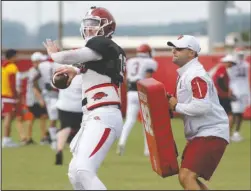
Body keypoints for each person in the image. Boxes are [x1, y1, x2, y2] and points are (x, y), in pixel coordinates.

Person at [43, 6, 126, 190]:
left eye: (94, 24)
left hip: (103, 114)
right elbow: (94, 67)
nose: (89, 29)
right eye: (87, 25)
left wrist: (54, 55)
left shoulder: (103, 45)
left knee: (83, 169)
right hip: (92, 115)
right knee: (74, 171)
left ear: (107, 27)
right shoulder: (104, 54)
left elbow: (74, 55)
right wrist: (75, 70)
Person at [166, 35, 229, 190]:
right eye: (173, 48)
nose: (174, 51)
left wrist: (176, 106)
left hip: (211, 132)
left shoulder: (195, 74)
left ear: (191, 53)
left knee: (187, 176)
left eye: (179, 49)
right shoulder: (187, 73)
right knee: (186, 177)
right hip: (203, 133)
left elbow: (202, 106)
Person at [117, 44, 158, 156]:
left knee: (130, 120)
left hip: (130, 92)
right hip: (142, 91)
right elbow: (148, 78)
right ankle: (147, 150)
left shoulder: (131, 61)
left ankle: (121, 142)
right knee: (147, 121)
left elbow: (126, 79)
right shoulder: (150, 63)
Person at [32, 52, 59, 148]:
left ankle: (54, 139)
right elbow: (35, 81)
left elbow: (35, 80)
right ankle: (54, 140)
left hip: (55, 94)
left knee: (56, 118)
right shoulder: (47, 65)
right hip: (52, 95)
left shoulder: (45, 66)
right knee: (53, 118)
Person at [54, 74, 83, 165]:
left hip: (64, 105)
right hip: (79, 107)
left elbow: (54, 83)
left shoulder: (63, 70)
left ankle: (59, 149)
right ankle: (80, 156)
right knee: (81, 131)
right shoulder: (83, 74)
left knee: (64, 128)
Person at [26, 52, 49, 145]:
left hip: (34, 98)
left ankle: (30, 138)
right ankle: (42, 138)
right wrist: (41, 100)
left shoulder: (37, 71)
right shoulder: (34, 72)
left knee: (38, 117)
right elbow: (34, 87)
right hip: (34, 99)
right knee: (40, 117)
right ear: (36, 61)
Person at [228, 48, 250, 142]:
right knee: (235, 113)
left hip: (238, 90)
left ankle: (234, 133)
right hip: (241, 90)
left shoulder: (232, 65)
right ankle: (231, 133)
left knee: (237, 113)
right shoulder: (246, 64)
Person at [210, 54, 237, 132]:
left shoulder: (223, 69)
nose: (232, 65)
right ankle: (226, 133)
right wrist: (227, 90)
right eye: (231, 63)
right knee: (229, 114)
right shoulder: (222, 68)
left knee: (221, 114)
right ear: (227, 62)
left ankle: (222, 132)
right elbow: (220, 81)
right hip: (221, 95)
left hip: (220, 95)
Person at [2, 49, 20, 148]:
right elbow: (12, 83)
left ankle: (7, 139)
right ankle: (6, 140)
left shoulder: (3, 66)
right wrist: (15, 96)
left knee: (9, 118)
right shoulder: (12, 67)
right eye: (16, 56)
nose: (17, 58)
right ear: (12, 57)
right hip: (9, 96)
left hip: (4, 95)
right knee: (8, 118)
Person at [15, 70, 35, 144]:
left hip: (24, 101)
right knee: (24, 118)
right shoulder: (27, 75)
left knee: (24, 118)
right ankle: (26, 138)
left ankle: (25, 138)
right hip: (25, 100)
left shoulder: (19, 76)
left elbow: (19, 90)